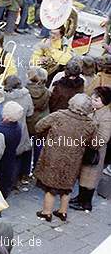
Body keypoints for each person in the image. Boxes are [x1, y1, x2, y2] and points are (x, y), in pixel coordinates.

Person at [33, 93, 99, 222]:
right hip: (74, 159)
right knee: (67, 185)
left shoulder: (58, 115)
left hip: (53, 156)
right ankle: (63, 212)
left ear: (72, 102)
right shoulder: (90, 124)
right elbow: (95, 144)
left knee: (50, 185)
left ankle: (46, 213)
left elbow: (38, 126)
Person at [71, 86, 111, 211]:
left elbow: (104, 137)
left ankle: (86, 203)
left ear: (104, 102)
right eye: (93, 98)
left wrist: (90, 144)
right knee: (83, 175)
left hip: (95, 152)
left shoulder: (106, 116)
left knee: (90, 177)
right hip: (87, 149)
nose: (93, 101)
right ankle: (80, 198)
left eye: (96, 100)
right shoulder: (94, 110)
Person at [0, 102, 23, 199]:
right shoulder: (18, 127)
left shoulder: (0, 131)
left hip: (0, 159)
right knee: (4, 183)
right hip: (10, 158)